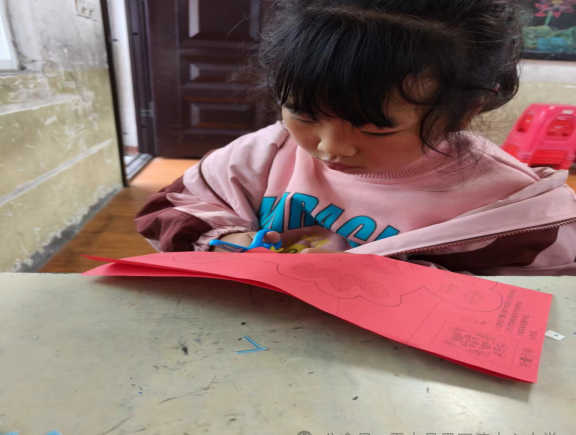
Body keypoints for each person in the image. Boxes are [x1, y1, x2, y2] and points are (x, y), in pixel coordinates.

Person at [136, 0, 576, 276]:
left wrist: (370, 277)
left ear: (465, 111)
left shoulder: (511, 208)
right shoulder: (270, 151)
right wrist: (232, 242)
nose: (330, 148)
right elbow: (172, 207)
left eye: (376, 127)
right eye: (304, 114)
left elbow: (540, 303)